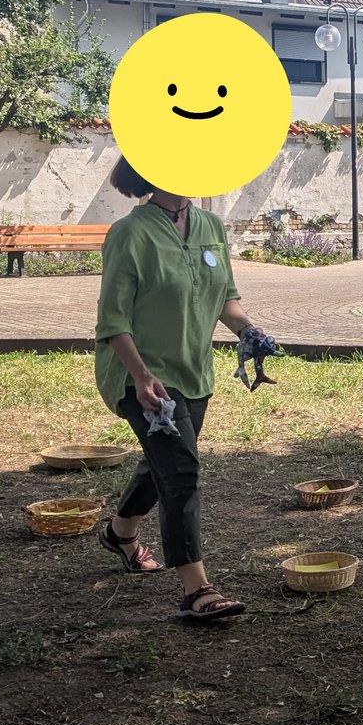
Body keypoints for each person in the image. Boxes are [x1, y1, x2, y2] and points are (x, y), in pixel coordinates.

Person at [94, 157, 271, 622]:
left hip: (194, 372)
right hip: (141, 374)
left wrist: (249, 331)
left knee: (166, 463)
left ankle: (119, 532)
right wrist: (140, 375)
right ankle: (197, 589)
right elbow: (112, 320)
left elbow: (226, 297)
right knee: (181, 471)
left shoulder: (211, 226)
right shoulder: (129, 234)